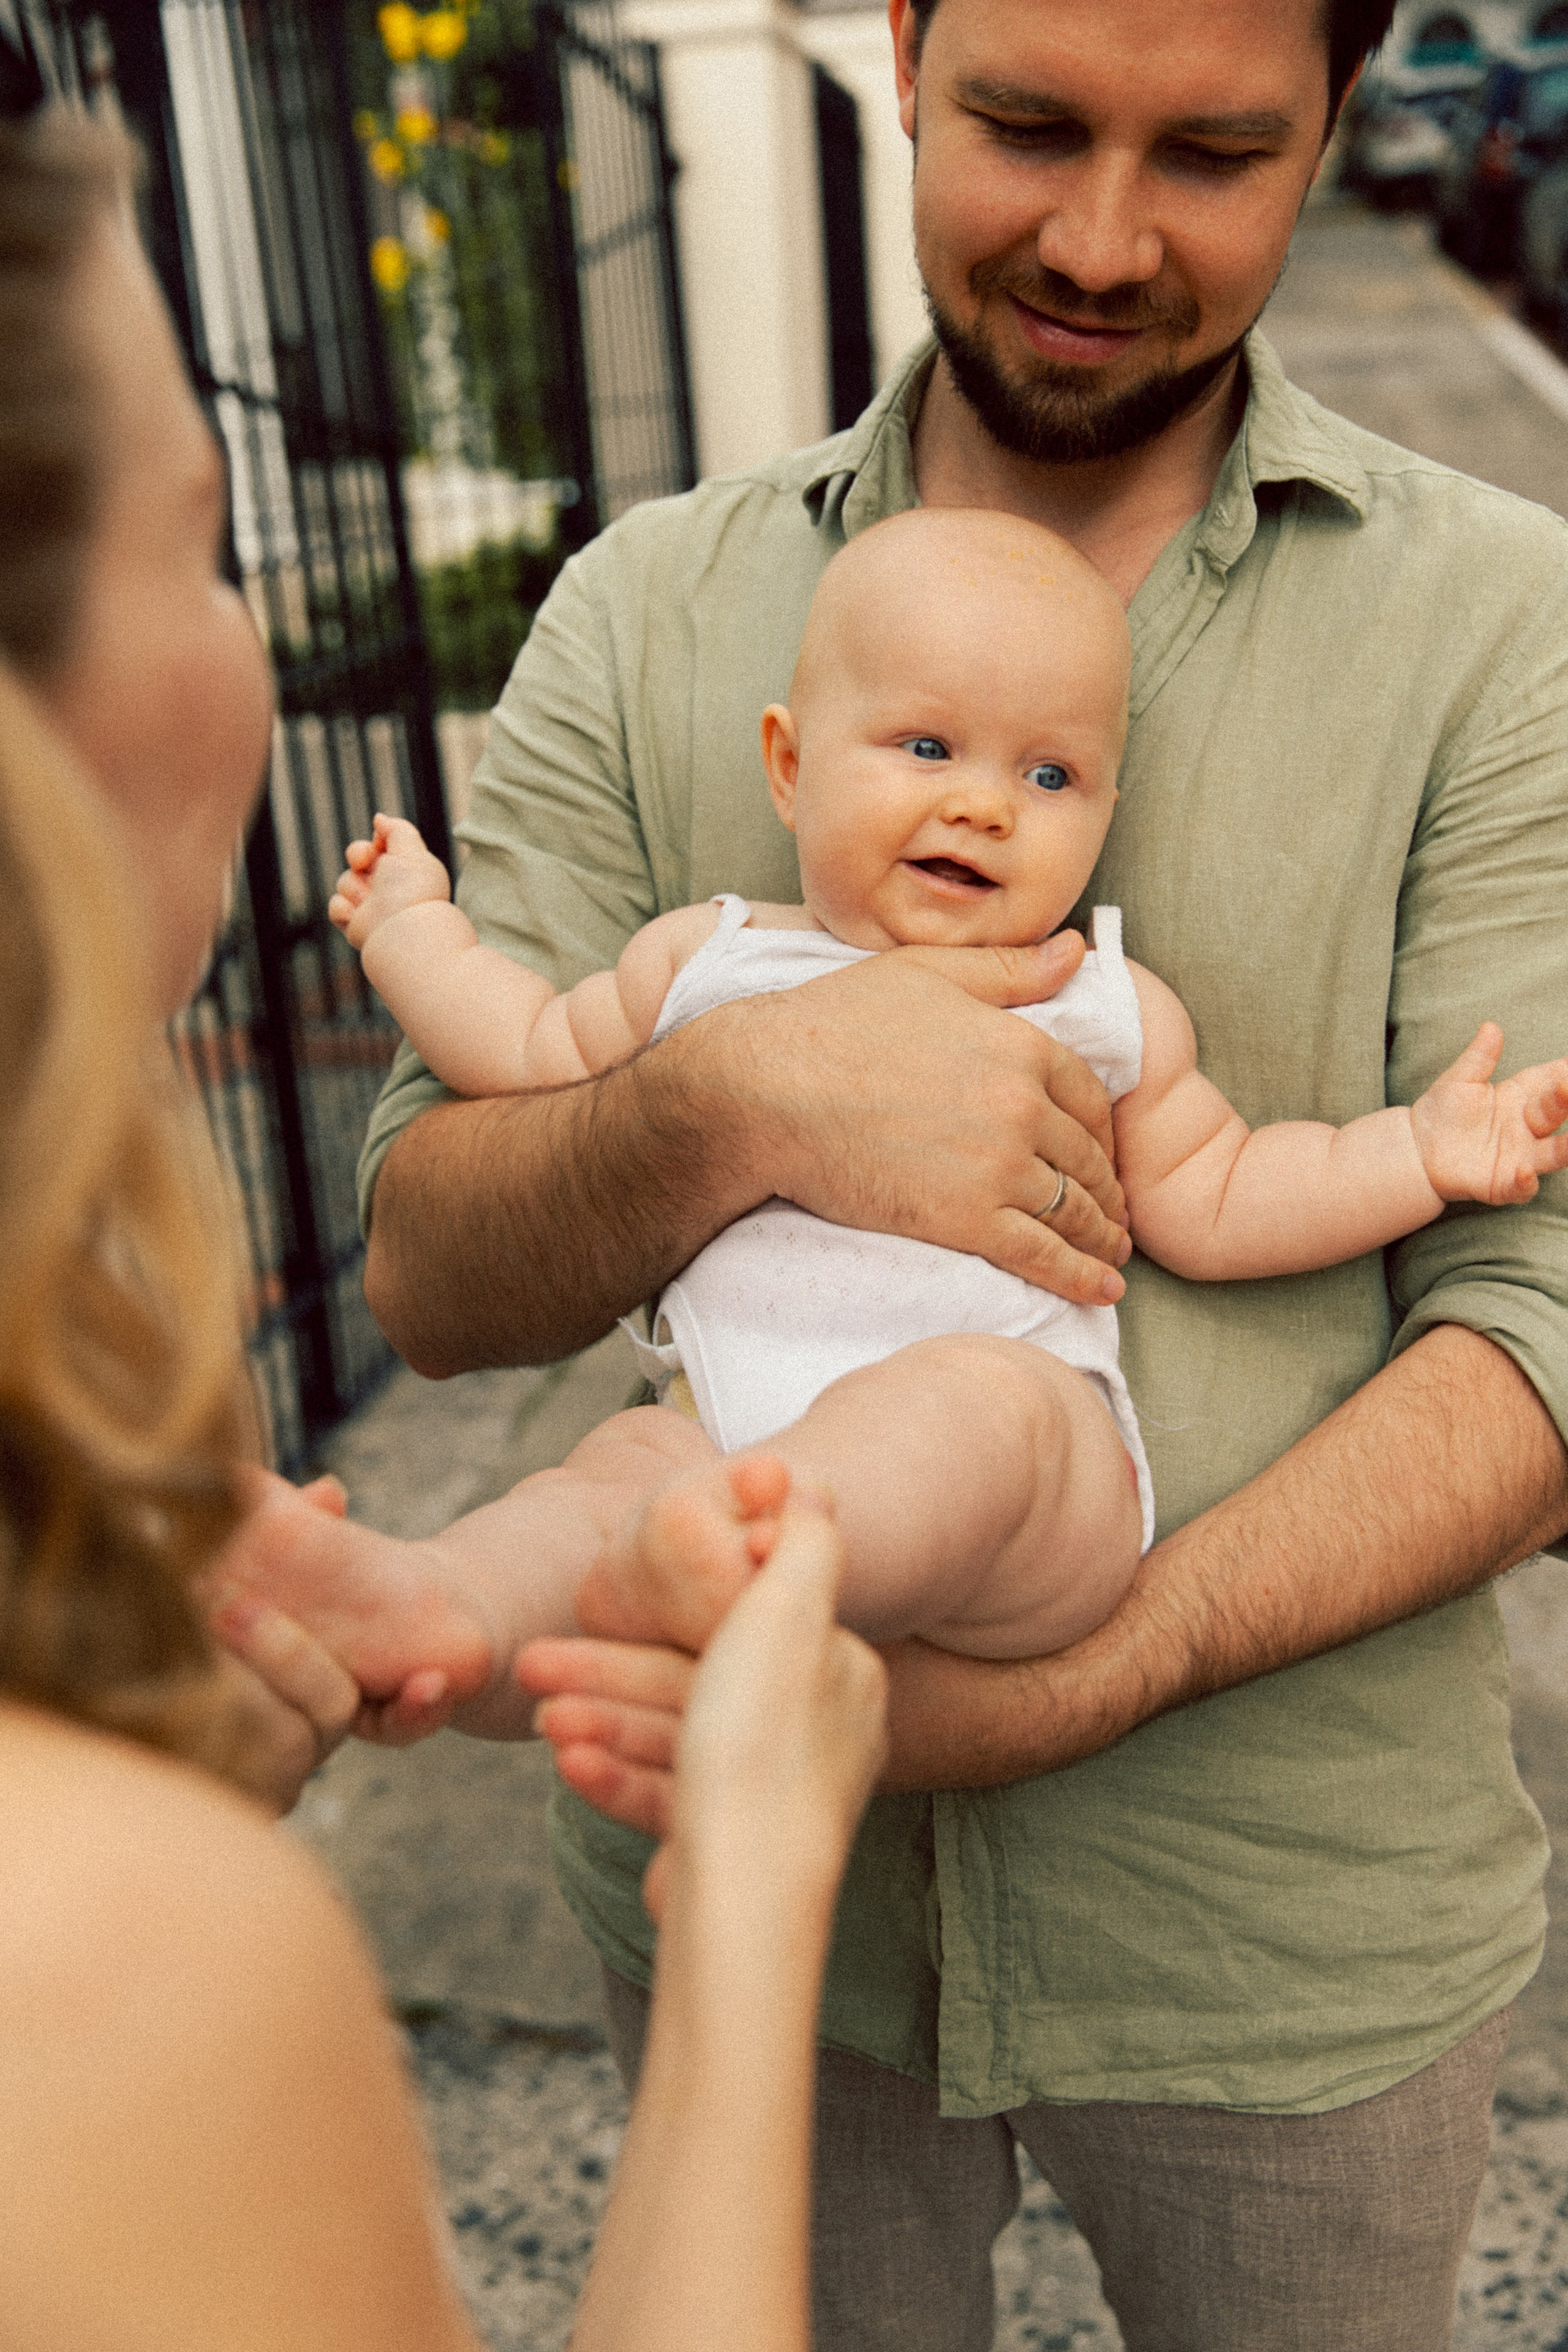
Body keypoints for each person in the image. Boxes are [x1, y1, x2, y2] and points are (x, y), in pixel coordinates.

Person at [356, 0, 1568, 2343]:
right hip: (730, 1903)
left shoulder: (1514, 631)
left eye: (1217, 155)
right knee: (604, 1481)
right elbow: (426, 1261)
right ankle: (399, 1628)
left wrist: (1077, 1678)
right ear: (901, 48)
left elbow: (1541, 1327)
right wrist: (734, 1102)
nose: (1101, 240)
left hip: (1287, 1926)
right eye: (1026, 124)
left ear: (1346, 117)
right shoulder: (649, 609)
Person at [0, 70, 886, 2352]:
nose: (253, 641)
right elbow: (494, 1104)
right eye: (205, 543)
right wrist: (753, 1909)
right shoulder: (105, 1968)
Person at [230, 504, 1568, 1705]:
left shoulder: (1096, 1003)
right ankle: (442, 1609)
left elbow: (1220, 1198)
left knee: (957, 1411)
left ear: (1103, 810)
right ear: (788, 765)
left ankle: (763, 1558)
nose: (982, 804)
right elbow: (520, 1046)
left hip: (1025, 1474)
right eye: (925, 746)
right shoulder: (703, 964)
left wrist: (1418, 1152)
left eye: (1048, 777)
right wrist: (408, 936)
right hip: (726, 1420)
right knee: (613, 1478)